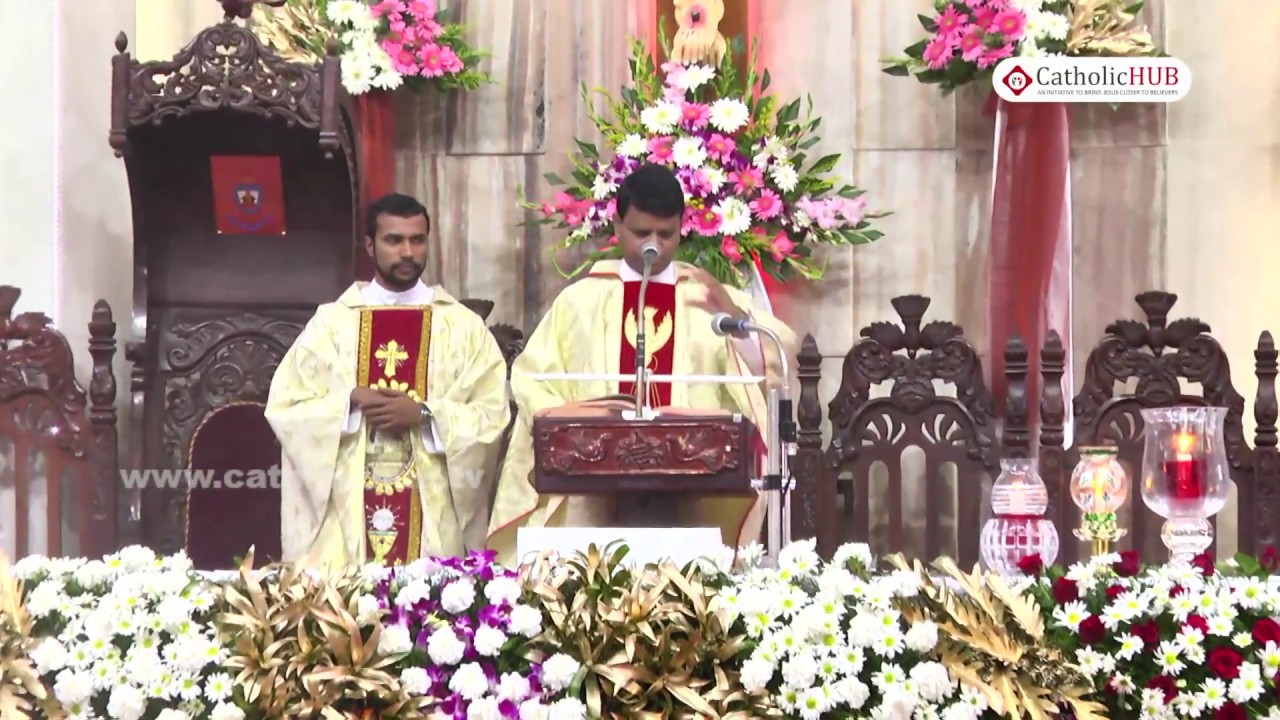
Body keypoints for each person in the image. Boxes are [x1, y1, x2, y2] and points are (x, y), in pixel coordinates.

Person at [486, 163, 796, 563]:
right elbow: (532, 378)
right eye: (641, 233)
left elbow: (770, 367)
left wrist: (737, 321)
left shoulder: (708, 296)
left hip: (695, 486)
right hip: (590, 487)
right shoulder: (580, 301)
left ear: (682, 228)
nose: (654, 245)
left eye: (666, 234)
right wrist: (577, 413)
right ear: (617, 226)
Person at [266, 193, 510, 569]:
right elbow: (287, 407)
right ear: (369, 244)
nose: (408, 252)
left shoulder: (463, 327)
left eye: (418, 239)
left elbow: (492, 413)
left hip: (432, 517)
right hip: (345, 519)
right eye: (394, 240)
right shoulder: (331, 325)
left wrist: (425, 415)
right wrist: (349, 401)